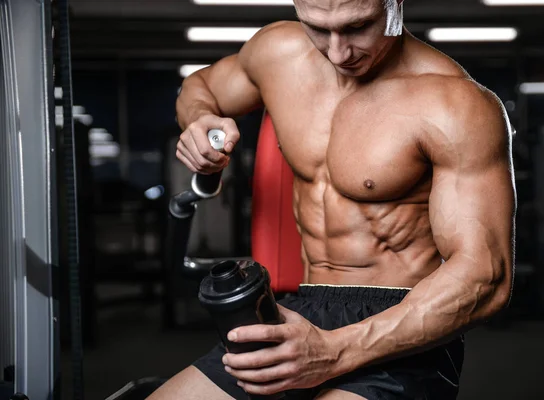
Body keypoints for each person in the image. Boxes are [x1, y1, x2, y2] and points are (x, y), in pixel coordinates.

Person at [149, 0, 516, 398]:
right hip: (303, 308)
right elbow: (200, 86)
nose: (338, 52)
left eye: (358, 26)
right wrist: (200, 120)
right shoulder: (280, 53)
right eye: (318, 28)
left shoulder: (456, 104)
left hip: (400, 328)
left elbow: (486, 276)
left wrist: (336, 351)